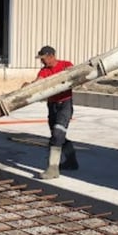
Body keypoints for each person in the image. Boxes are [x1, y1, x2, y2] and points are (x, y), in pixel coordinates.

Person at [28, 45, 78, 179]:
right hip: (52, 106)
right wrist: (28, 86)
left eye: (43, 59)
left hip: (65, 104)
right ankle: (71, 162)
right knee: (57, 135)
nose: (42, 62)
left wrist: (71, 72)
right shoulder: (44, 71)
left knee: (57, 133)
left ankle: (53, 169)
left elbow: (74, 74)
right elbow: (38, 83)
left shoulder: (65, 65)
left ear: (51, 56)